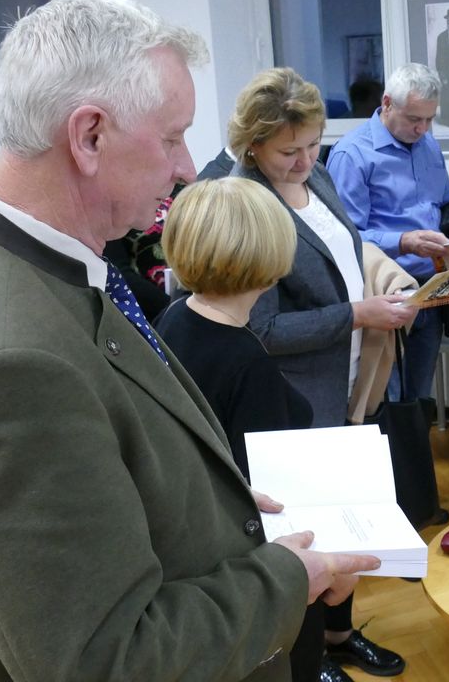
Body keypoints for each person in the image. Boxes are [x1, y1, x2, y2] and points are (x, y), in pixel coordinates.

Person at [0, 0, 378, 682]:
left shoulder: (9, 255)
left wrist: (219, 505)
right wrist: (289, 576)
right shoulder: (15, 366)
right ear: (89, 136)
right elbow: (105, 659)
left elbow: (109, 465)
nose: (187, 168)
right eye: (173, 137)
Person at [226, 66, 415, 682]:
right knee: (307, 533)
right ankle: (309, 653)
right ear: (252, 145)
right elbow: (262, 329)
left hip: (347, 378)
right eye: (290, 151)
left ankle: (339, 634)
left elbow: (347, 254)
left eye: (313, 145)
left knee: (348, 516)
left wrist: (382, 289)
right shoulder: (247, 204)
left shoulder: (317, 174)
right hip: (297, 397)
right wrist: (358, 314)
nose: (306, 160)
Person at [155, 177, 325, 682]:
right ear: (270, 263)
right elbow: (266, 485)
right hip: (248, 556)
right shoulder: (246, 360)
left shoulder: (173, 316)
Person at [328, 63, 449, 402]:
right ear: (387, 103)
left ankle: (417, 438)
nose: (422, 129)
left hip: (431, 290)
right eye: (414, 118)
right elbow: (344, 239)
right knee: (386, 400)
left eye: (429, 119)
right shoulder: (351, 154)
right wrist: (403, 241)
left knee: (419, 399)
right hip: (385, 294)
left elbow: (446, 204)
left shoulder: (429, 146)